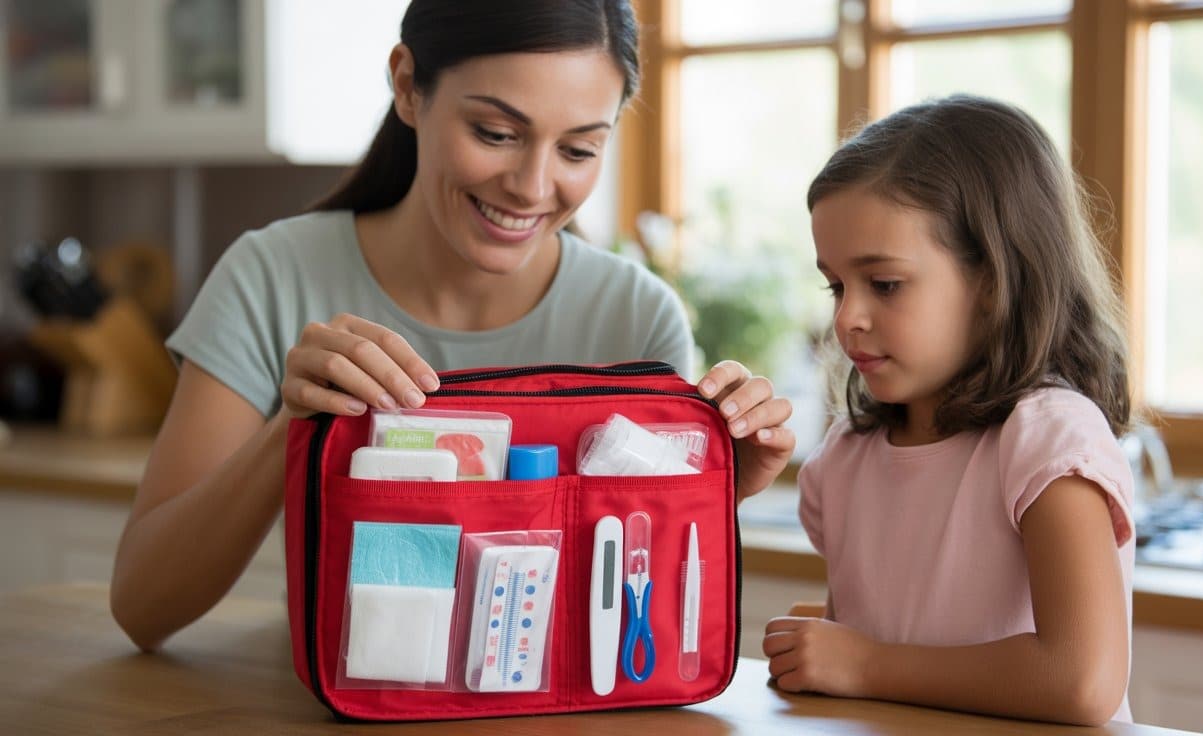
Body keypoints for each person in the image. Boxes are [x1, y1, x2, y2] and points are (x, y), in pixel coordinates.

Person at [111, 0, 794, 652]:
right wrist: (293, 429)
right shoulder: (272, 276)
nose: (532, 186)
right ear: (409, 86)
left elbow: (632, 606)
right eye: (496, 134)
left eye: (579, 151)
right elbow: (142, 606)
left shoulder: (637, 317)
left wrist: (712, 487)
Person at [762, 94, 1136, 726]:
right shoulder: (847, 459)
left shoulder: (1047, 439)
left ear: (993, 280)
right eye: (836, 285)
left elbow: (1083, 681)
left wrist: (863, 662)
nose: (846, 316)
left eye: (884, 284)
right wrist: (827, 648)